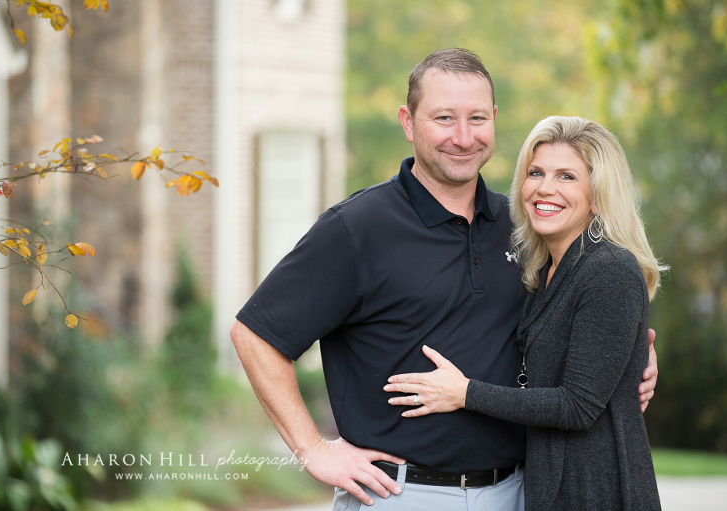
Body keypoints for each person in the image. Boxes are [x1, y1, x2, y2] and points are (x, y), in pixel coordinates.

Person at [230, 49, 658, 511]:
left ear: (494, 120)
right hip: (400, 494)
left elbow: (572, 321)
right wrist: (312, 449)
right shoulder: (356, 229)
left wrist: (632, 357)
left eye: (477, 118)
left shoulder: (522, 227)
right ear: (408, 122)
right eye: (444, 118)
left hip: (517, 493)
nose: (463, 137)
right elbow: (255, 336)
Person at [385, 115, 664, 510]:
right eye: (536, 173)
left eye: (567, 176)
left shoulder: (609, 270)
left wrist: (464, 393)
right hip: (549, 486)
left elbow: (578, 406)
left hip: (597, 491)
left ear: (598, 194)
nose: (545, 188)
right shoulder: (543, 267)